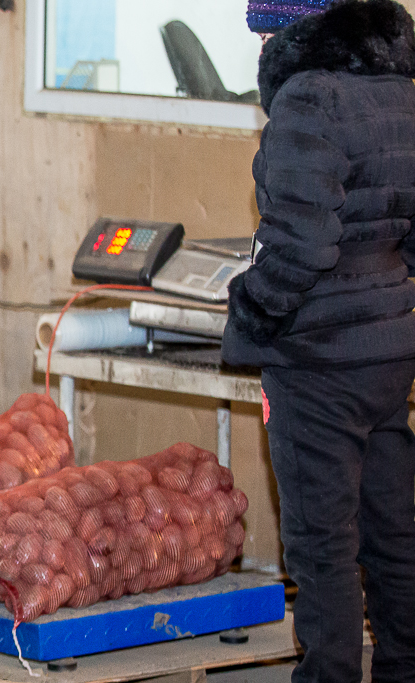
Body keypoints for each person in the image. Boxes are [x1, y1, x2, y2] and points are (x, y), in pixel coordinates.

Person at [223, 1, 415, 681]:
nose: (263, 44)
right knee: (395, 536)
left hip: (318, 359)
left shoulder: (308, 98)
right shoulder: (397, 91)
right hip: (390, 354)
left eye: (267, 29)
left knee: (322, 545)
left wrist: (251, 309)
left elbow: (301, 245)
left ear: (294, 27)